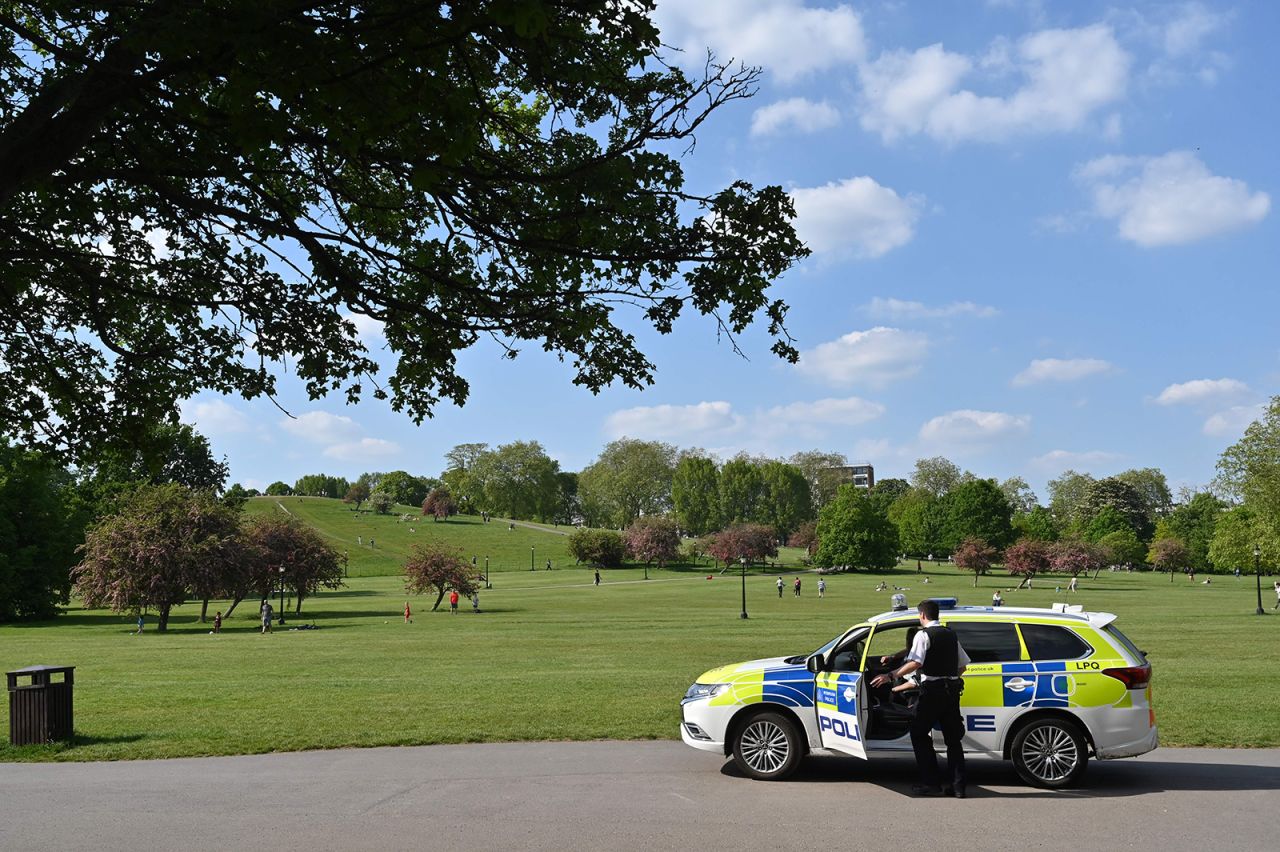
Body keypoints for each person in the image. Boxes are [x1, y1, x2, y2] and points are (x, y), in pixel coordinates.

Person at [871, 600, 970, 798]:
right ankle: (958, 787)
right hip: (951, 692)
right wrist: (949, 678)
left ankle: (931, 783)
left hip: (932, 692)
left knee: (918, 733)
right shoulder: (951, 635)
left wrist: (890, 675)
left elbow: (915, 662)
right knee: (953, 741)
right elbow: (963, 666)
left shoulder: (923, 635)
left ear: (922, 615)